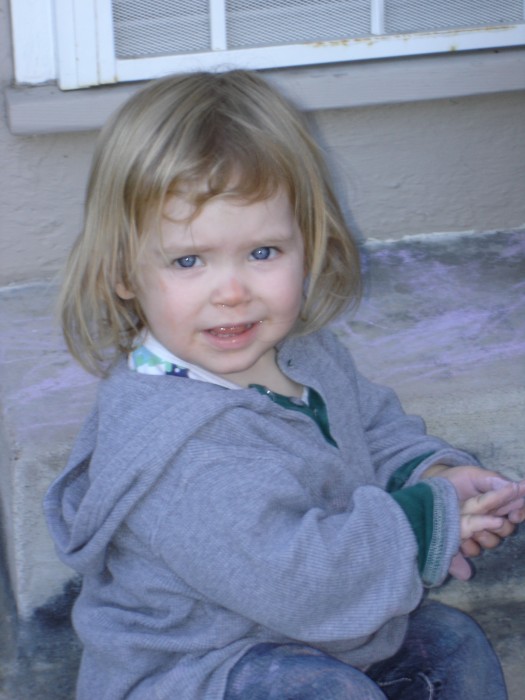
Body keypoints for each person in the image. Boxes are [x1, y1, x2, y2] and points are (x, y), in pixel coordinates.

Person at [45, 69, 525, 700]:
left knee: (450, 646)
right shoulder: (177, 447)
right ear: (123, 273)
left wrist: (433, 479)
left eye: (263, 252)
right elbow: (301, 582)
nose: (233, 291)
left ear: (309, 243)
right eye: (190, 261)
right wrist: (422, 527)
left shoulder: (303, 353)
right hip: (198, 670)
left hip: (312, 633)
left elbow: (374, 429)